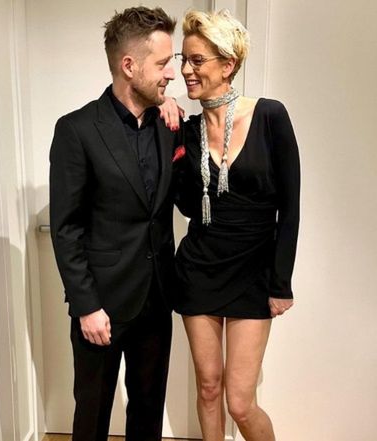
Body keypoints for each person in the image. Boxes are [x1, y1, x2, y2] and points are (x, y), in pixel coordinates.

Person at [49, 7, 181, 441]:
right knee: (92, 414)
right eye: (163, 64)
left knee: (148, 411)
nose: (172, 74)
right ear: (129, 66)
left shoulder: (169, 125)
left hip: (157, 298)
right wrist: (86, 306)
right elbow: (66, 227)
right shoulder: (77, 130)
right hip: (101, 304)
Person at [172, 10, 300, 441]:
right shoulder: (186, 131)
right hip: (199, 270)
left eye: (197, 60)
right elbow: (186, 205)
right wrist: (170, 131)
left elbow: (291, 208)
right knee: (208, 389)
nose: (186, 71)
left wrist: (281, 282)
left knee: (240, 402)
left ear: (228, 65)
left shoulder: (269, 116)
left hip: (253, 272)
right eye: (184, 60)